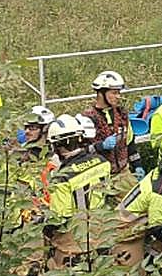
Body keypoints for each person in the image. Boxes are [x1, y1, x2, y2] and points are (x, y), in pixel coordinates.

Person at [43, 114, 113, 267]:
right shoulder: (101, 162)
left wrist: (45, 228)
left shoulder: (61, 178)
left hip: (76, 237)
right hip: (102, 229)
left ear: (56, 146)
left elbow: (61, 217)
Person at [113, 144, 162, 268]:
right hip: (125, 230)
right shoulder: (158, 194)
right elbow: (158, 229)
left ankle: (152, 261)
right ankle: (150, 265)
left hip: (141, 221)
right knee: (131, 272)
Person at [81, 70, 142, 192]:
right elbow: (82, 152)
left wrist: (138, 165)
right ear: (101, 93)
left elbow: (130, 142)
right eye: (114, 93)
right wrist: (101, 146)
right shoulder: (87, 118)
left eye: (118, 92)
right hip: (99, 179)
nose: (118, 96)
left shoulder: (122, 114)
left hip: (124, 175)